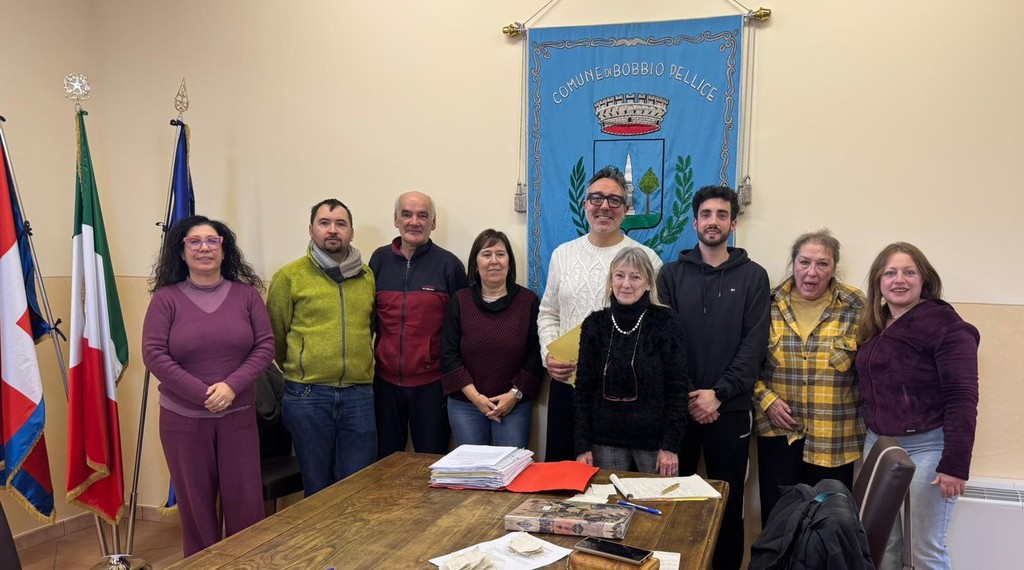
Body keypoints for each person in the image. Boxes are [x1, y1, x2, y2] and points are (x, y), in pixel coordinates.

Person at [142, 216, 273, 557]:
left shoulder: (247, 296)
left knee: (246, 504)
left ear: (223, 250)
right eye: (194, 241)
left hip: (238, 416)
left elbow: (264, 347)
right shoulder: (165, 300)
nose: (204, 248)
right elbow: (154, 354)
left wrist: (230, 387)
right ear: (181, 251)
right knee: (196, 508)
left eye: (212, 241)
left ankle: (246, 564)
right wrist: (204, 395)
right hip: (183, 421)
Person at [656, 185, 770, 570]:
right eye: (706, 214)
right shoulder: (670, 275)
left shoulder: (754, 277)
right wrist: (691, 396)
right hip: (679, 410)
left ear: (733, 224)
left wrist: (718, 394)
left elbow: (753, 346)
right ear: (694, 222)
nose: (713, 221)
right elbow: (665, 345)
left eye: (722, 215)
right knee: (673, 502)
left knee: (728, 505)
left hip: (731, 410)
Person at [856, 242, 979, 570]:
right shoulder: (876, 325)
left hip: (928, 450)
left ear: (924, 278)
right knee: (883, 545)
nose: (899, 280)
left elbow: (963, 398)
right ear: (879, 282)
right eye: (890, 273)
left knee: (923, 551)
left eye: (909, 272)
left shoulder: (945, 326)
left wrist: (955, 464)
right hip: (880, 446)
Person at [538, 166, 662, 462]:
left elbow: (655, 327)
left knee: (612, 480)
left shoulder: (647, 259)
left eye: (614, 199)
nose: (604, 206)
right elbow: (548, 313)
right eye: (596, 198)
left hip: (621, 393)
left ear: (626, 210)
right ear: (585, 205)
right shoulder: (562, 255)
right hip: (568, 384)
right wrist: (548, 354)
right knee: (562, 476)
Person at [752, 230, 866, 525]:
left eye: (822, 264)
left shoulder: (856, 305)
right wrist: (765, 399)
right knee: (779, 522)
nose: (812, 272)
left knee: (828, 525)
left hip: (833, 436)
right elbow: (745, 361)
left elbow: (873, 365)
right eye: (804, 262)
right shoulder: (767, 303)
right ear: (793, 263)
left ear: (834, 268)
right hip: (779, 432)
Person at [266, 199, 377, 497]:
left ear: (351, 232)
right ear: (311, 229)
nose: (332, 230)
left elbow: (370, 326)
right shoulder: (290, 276)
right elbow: (275, 334)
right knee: (317, 487)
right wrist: (303, 365)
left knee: (357, 486)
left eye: (341, 224)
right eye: (324, 223)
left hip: (358, 394)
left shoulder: (367, 276)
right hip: (308, 395)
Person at [574, 248, 693, 474]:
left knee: (658, 498)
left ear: (648, 283)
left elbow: (677, 388)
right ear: (611, 281)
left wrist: (671, 445)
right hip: (604, 440)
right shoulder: (594, 324)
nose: (626, 284)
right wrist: (582, 445)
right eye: (619, 275)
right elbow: (583, 390)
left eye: (635, 277)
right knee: (608, 498)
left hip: (655, 443)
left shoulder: (666, 322)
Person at [370, 191, 468, 457]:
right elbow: (368, 319)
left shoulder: (449, 265)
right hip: (384, 384)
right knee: (384, 465)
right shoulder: (378, 261)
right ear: (396, 220)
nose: (414, 222)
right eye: (407, 214)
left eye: (422, 215)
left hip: (432, 386)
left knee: (431, 462)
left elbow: (463, 328)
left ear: (433, 223)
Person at [441, 229, 542, 448]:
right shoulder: (460, 301)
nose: (494, 261)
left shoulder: (528, 302)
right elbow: (448, 354)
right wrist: (476, 398)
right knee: (472, 467)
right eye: (486, 254)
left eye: (500, 254)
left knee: (513, 467)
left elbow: (536, 355)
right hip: (466, 404)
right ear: (475, 263)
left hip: (513, 405)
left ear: (509, 262)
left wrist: (514, 395)